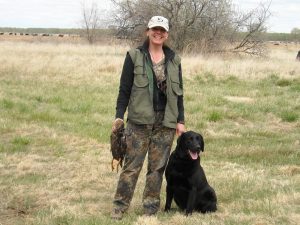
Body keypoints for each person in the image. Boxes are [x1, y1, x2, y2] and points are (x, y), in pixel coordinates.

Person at [111, 15, 185, 220]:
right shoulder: (134, 56)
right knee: (131, 166)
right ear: (147, 31)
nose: (158, 33)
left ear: (167, 34)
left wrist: (180, 120)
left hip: (165, 123)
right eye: (155, 29)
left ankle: (151, 207)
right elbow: (124, 89)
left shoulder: (174, 60)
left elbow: (179, 94)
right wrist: (119, 116)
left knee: (157, 168)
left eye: (162, 30)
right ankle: (119, 206)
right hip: (138, 122)